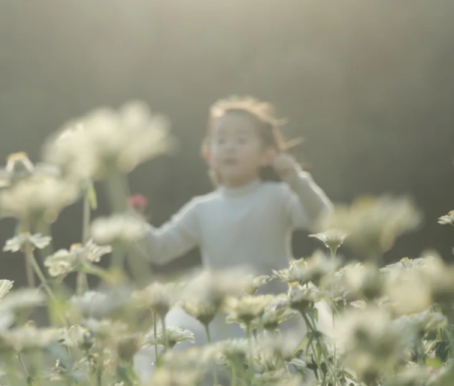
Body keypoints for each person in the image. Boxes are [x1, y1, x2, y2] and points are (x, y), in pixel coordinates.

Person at [133, 97, 333, 378]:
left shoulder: (277, 196)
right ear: (209, 153)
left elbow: (322, 219)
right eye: (221, 139)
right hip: (217, 318)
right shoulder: (202, 209)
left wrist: (297, 179)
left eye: (241, 139)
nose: (229, 146)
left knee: (285, 372)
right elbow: (160, 249)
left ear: (267, 154)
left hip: (277, 313)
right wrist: (132, 227)